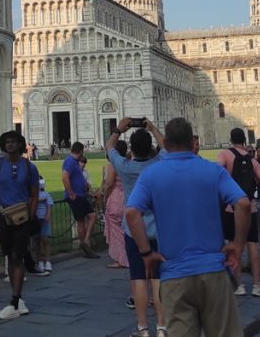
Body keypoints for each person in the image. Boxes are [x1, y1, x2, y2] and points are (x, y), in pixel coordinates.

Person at [126, 117, 249, 337]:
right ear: (193, 143)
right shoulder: (213, 171)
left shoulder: (151, 175)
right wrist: (238, 245)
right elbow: (242, 204)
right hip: (213, 271)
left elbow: (131, 213)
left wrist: (146, 253)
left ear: (165, 145)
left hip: (175, 274)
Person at [107, 118, 168, 337]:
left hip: (133, 230)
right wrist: (151, 127)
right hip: (158, 229)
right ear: (150, 147)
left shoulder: (125, 167)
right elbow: (165, 147)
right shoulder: (159, 163)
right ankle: (162, 327)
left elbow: (110, 148)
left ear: (132, 148)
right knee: (158, 279)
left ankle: (142, 328)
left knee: (139, 279)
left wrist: (119, 129)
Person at [0, 130, 40, 321]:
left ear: (20, 144)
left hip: (22, 218)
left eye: (14, 141)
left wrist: (31, 215)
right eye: (7, 142)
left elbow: (35, 194)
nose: (10, 145)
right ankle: (18, 297)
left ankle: (15, 301)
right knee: (10, 256)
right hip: (4, 216)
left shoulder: (29, 166)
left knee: (17, 255)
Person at [217, 128, 260, 297]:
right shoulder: (252, 160)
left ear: (231, 139)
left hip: (231, 207)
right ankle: (256, 285)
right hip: (250, 207)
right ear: (244, 140)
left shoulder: (225, 155)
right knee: (252, 244)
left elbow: (215, 174)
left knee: (233, 244)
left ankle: (239, 285)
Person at [62, 142, 98, 258]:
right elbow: (64, 177)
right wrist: (71, 193)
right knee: (81, 221)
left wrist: (85, 184)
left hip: (81, 194)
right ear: (81, 151)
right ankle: (86, 246)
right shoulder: (70, 161)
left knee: (92, 216)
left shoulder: (74, 162)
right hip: (76, 196)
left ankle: (86, 242)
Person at [101, 139, 129, 268]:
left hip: (116, 197)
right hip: (126, 197)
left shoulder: (113, 164)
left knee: (115, 229)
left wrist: (105, 197)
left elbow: (109, 184)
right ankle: (127, 256)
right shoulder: (128, 162)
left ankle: (121, 259)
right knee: (124, 229)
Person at [32, 177, 54, 274]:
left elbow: (49, 205)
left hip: (44, 220)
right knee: (36, 240)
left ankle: (48, 261)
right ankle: (39, 261)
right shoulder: (32, 195)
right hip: (35, 221)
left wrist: (48, 215)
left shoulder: (46, 194)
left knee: (45, 240)